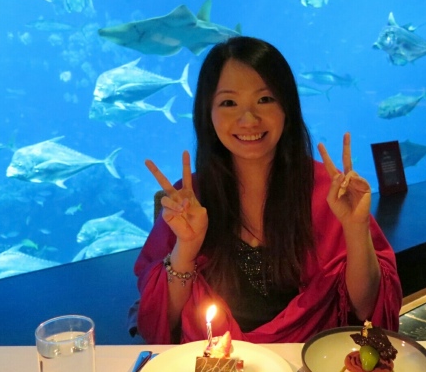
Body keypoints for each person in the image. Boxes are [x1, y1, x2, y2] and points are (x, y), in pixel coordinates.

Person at [132, 36, 402, 344]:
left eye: (265, 99)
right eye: (229, 103)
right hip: (215, 366)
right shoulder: (188, 199)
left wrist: (355, 228)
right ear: (207, 113)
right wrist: (186, 248)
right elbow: (162, 325)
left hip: (310, 360)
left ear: (287, 107)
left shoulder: (329, 192)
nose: (248, 119)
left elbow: (367, 313)